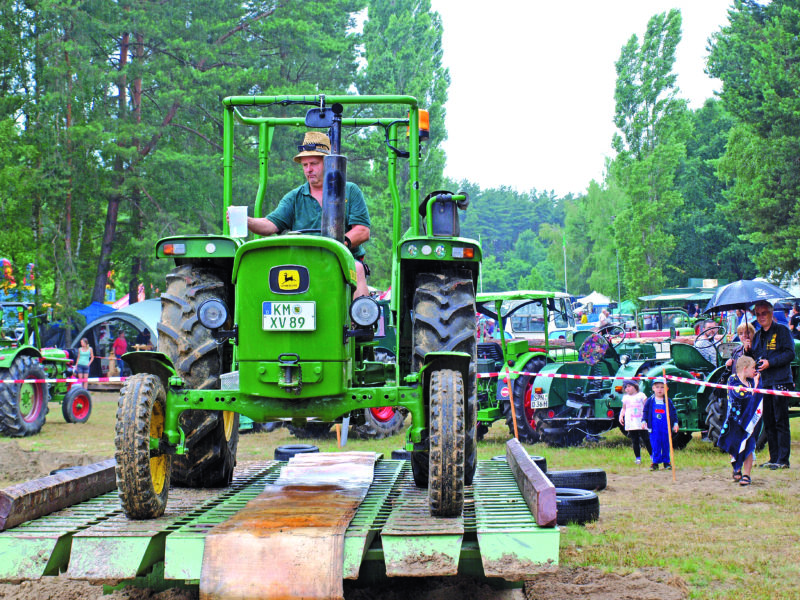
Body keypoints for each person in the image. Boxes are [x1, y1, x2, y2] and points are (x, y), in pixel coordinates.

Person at [244, 131, 371, 298]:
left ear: (329, 163)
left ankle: (360, 320)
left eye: (314, 163)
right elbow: (270, 225)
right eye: (305, 165)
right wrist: (247, 221)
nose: (309, 170)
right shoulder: (294, 197)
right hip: (303, 262)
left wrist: (339, 247)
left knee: (358, 268)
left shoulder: (350, 190)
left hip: (342, 261)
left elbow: (362, 231)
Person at [751, 300, 794, 470]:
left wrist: (771, 362)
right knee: (768, 421)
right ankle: (773, 457)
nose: (761, 317)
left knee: (780, 421)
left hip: (781, 381)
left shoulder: (782, 330)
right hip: (765, 382)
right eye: (758, 314)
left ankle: (783, 459)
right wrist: (749, 350)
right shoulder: (758, 335)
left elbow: (790, 354)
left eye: (764, 313)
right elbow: (756, 356)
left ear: (771, 313)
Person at [717, 356, 763, 486]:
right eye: (753, 368)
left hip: (748, 423)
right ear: (745, 368)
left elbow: (756, 398)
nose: (755, 370)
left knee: (749, 446)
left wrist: (756, 383)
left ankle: (747, 475)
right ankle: (737, 468)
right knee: (735, 446)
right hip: (734, 422)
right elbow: (741, 396)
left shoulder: (752, 382)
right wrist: (753, 389)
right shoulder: (733, 380)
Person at [642, 377, 679, 470]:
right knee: (655, 445)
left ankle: (667, 462)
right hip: (654, 428)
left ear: (666, 389)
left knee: (666, 445)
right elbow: (645, 411)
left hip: (666, 428)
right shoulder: (650, 401)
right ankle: (655, 463)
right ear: (653, 388)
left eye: (662, 387)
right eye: (657, 387)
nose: (659, 389)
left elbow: (673, 413)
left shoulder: (668, 401)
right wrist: (643, 421)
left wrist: (675, 423)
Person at [619, 379, 651, 464]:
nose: (627, 389)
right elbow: (624, 408)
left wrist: (647, 416)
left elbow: (646, 406)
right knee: (635, 440)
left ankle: (652, 456)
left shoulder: (641, 395)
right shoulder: (625, 397)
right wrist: (621, 415)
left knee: (646, 439)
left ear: (635, 386)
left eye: (629, 386)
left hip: (641, 422)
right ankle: (638, 458)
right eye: (625, 387)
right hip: (631, 422)